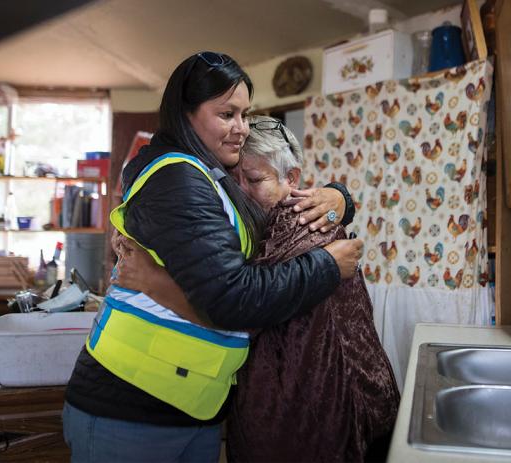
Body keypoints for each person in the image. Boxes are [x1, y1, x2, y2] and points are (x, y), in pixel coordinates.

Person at [62, 52, 363, 463]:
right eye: (226, 114)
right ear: (185, 114)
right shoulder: (179, 179)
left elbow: (273, 211)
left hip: (192, 405)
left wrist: (339, 198)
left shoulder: (211, 176)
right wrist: (329, 265)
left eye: (245, 114)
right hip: (133, 405)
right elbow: (231, 297)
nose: (240, 128)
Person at [114, 115, 399, 463]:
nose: (240, 191)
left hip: (321, 412)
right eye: (231, 181)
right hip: (319, 403)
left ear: (291, 179)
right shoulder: (252, 228)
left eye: (254, 179)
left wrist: (150, 279)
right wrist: (341, 198)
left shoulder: (298, 226)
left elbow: (237, 310)